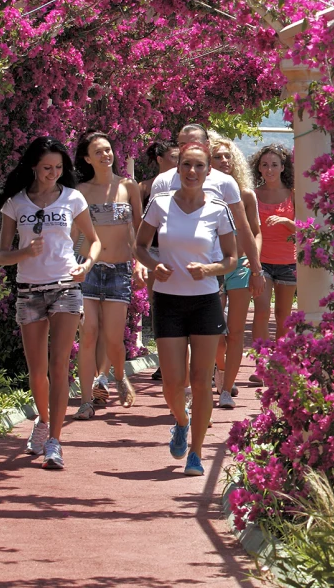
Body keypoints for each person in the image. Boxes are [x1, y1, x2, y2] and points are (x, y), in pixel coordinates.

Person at [135, 141, 245, 476]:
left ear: (208, 170)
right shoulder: (160, 204)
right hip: (168, 299)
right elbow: (140, 246)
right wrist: (155, 265)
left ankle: (196, 453)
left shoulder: (217, 208)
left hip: (205, 300)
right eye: (186, 165)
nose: (192, 172)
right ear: (177, 169)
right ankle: (181, 421)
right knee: (173, 382)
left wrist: (209, 269)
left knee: (200, 379)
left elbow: (231, 258)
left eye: (199, 166)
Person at [0, 136, 100, 470]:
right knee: (37, 371)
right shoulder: (16, 203)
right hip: (29, 291)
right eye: (46, 168)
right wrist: (25, 252)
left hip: (65, 288)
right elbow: (2, 256)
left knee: (58, 366)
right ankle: (43, 421)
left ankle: (55, 440)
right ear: (33, 167)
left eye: (58, 167)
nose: (52, 173)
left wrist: (86, 264)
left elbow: (94, 242)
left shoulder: (73, 199)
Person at [149, 124, 261, 396]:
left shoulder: (224, 183)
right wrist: (148, 265)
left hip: (218, 269)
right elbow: (148, 232)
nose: (184, 151)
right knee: (186, 341)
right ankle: (186, 390)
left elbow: (245, 228)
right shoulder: (164, 181)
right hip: (174, 275)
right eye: (180, 145)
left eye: (191, 144)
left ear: (205, 147)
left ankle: (215, 387)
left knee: (224, 334)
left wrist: (256, 268)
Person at [71, 131, 145, 420]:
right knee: (88, 334)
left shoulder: (129, 186)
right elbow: (75, 234)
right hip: (88, 270)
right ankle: (86, 400)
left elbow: (139, 230)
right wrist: (72, 264)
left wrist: (140, 262)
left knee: (114, 339)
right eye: (98, 151)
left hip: (120, 270)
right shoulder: (80, 191)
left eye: (108, 149)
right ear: (88, 158)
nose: (106, 155)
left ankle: (118, 376)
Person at [209, 138, 259, 409]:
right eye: (218, 157)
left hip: (240, 267)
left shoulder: (246, 195)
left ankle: (227, 389)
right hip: (213, 267)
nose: (224, 162)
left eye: (228, 157)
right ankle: (220, 368)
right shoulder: (203, 193)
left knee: (237, 332)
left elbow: (255, 233)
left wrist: (255, 264)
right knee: (216, 335)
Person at [250, 144, 298, 349]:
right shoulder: (252, 194)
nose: (269, 169)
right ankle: (261, 362)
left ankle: (280, 362)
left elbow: (305, 229)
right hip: (261, 262)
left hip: (288, 262)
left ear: (282, 167)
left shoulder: (293, 194)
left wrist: (285, 222)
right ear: (259, 168)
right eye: (265, 165)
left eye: (274, 165)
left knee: (283, 316)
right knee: (261, 312)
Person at [142, 140, 178, 382]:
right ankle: (163, 361)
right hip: (154, 251)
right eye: (174, 157)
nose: (179, 163)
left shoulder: (189, 184)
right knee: (159, 306)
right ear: (160, 159)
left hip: (179, 250)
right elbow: (138, 224)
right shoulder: (144, 188)